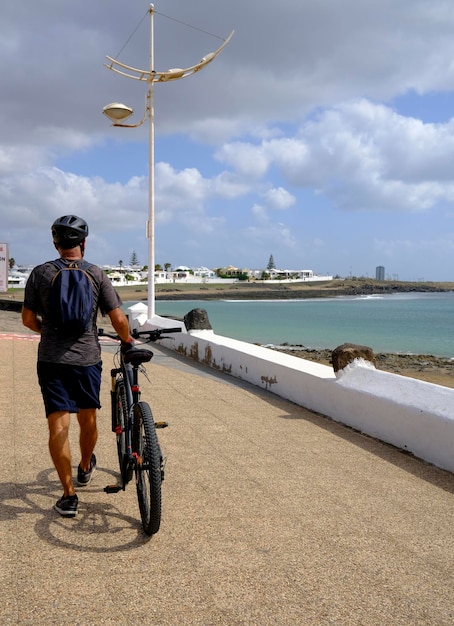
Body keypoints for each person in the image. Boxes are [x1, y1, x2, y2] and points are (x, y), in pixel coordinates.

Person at [22, 215, 133, 517]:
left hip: (51, 360)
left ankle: (69, 496)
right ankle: (85, 466)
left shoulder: (40, 273)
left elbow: (28, 320)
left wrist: (50, 332)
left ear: (55, 243)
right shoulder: (95, 273)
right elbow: (119, 320)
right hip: (87, 359)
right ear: (83, 243)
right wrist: (127, 341)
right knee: (88, 418)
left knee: (58, 425)